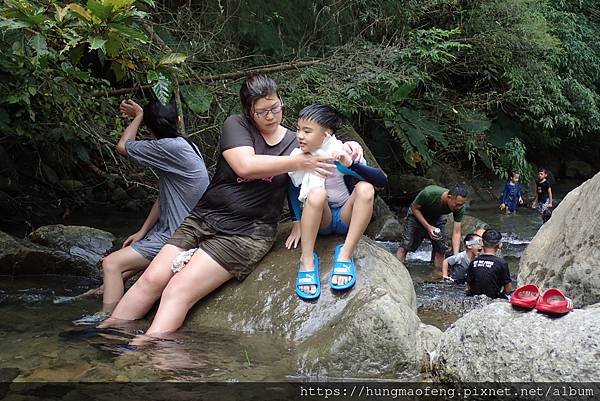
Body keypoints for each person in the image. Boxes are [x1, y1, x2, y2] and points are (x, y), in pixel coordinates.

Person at [99, 74, 363, 335]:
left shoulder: (298, 142)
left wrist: (352, 148)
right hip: (204, 216)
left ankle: (140, 354)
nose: (271, 116)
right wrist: (299, 162)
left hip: (247, 232)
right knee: (151, 278)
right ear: (249, 112)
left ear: (281, 101)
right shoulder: (237, 126)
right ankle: (104, 334)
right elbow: (245, 166)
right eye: (262, 112)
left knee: (177, 290)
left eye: (275, 108)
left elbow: (326, 153)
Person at [74, 100, 209, 324]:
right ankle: (105, 296)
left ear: (149, 128)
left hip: (178, 236)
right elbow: (165, 196)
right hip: (183, 229)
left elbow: (123, 145)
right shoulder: (187, 145)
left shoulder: (168, 148)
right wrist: (142, 231)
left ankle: (108, 319)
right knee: (122, 273)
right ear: (179, 121)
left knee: (112, 264)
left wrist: (138, 116)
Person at [285, 104, 387, 299]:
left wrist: (351, 164)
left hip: (344, 217)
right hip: (320, 219)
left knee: (366, 188)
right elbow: (291, 188)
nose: (300, 135)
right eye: (298, 129)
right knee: (316, 194)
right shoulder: (298, 157)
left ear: (326, 134)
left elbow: (381, 181)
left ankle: (345, 255)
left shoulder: (339, 153)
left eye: (307, 131)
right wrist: (296, 223)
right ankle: (307, 260)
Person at [395, 185, 468, 275]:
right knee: (406, 244)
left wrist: (456, 256)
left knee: (441, 248)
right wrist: (428, 227)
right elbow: (414, 207)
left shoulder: (459, 207)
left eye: (461, 205)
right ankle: (396, 272)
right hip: (416, 215)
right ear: (449, 197)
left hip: (437, 218)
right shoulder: (429, 193)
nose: (458, 207)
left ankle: (437, 275)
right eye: (457, 204)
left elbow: (457, 232)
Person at [466, 229, 512, 299]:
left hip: (473, 298)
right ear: (500, 245)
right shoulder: (501, 263)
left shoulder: (473, 262)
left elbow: (469, 283)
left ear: (481, 243)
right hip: (492, 299)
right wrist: (503, 295)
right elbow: (508, 287)